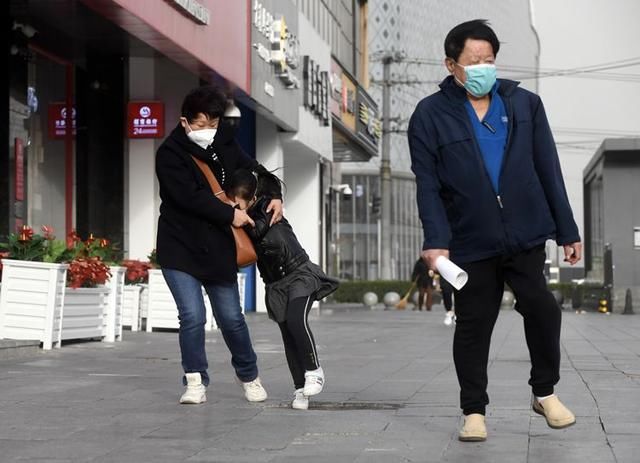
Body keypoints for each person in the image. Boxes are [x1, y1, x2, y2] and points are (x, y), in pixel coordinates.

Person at [408, 20, 581, 442]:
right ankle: (473, 410)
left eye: (489, 60)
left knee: (543, 308)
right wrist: (435, 241)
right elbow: (427, 184)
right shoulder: (430, 114)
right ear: (452, 64)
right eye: (473, 61)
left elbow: (548, 168)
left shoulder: (525, 104)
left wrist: (567, 229)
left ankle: (545, 393)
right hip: (469, 238)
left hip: (524, 232)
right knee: (473, 324)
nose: (483, 68)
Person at [155, 84, 284, 405]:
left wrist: (275, 195)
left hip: (218, 246)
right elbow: (189, 198)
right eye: (200, 125)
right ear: (185, 122)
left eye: (212, 124)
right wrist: (231, 214)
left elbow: (255, 170)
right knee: (192, 316)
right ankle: (195, 380)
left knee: (231, 318)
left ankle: (249, 375)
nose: (207, 131)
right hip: (180, 245)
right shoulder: (169, 154)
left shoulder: (224, 140)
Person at [226, 169, 339, 411]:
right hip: (275, 285)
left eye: (237, 204)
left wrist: (238, 217)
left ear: (251, 198)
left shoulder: (268, 206)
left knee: (297, 321)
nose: (235, 208)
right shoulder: (239, 219)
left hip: (299, 274)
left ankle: (314, 371)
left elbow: (258, 230)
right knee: (288, 336)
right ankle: (300, 390)